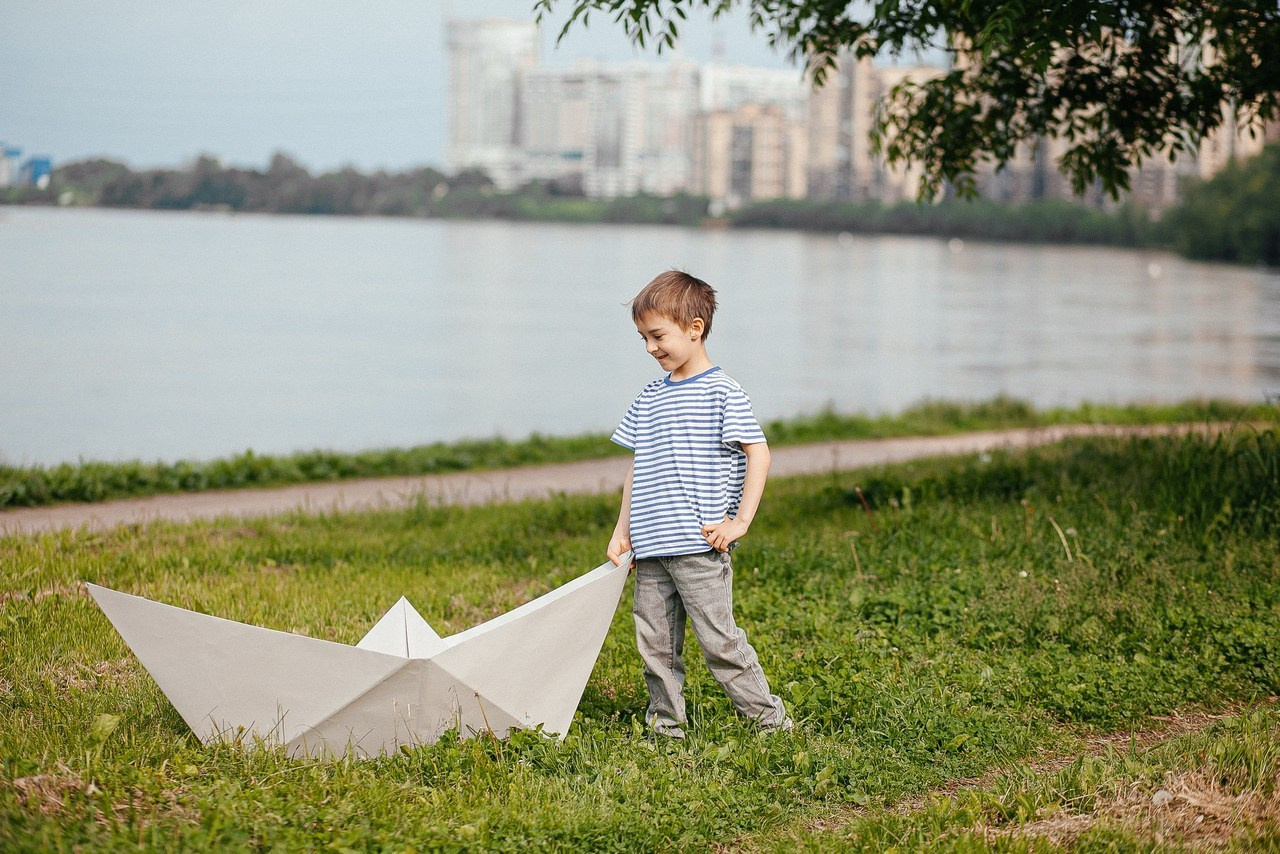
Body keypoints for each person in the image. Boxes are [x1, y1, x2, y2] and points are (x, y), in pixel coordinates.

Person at [607, 270, 792, 739]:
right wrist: (621, 531)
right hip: (650, 549)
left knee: (719, 642)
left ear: (694, 328)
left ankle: (770, 722)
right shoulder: (650, 398)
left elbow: (759, 453)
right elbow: (637, 469)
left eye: (657, 335)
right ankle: (666, 727)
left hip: (698, 545)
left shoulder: (723, 392)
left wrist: (740, 521)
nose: (650, 347)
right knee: (655, 645)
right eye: (643, 338)